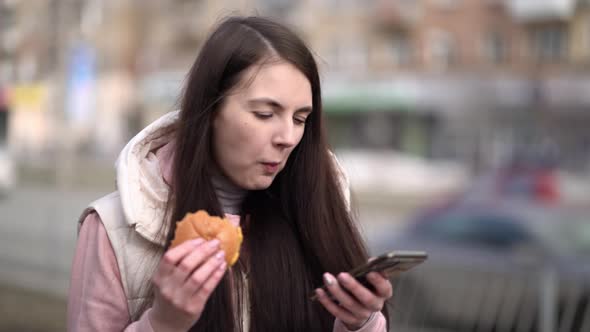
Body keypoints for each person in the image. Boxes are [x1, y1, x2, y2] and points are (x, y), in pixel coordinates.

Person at [67, 16, 392, 332]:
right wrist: (163, 324)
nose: (288, 137)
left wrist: (361, 324)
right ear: (210, 112)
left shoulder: (318, 214)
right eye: (265, 113)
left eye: (300, 118)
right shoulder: (111, 227)